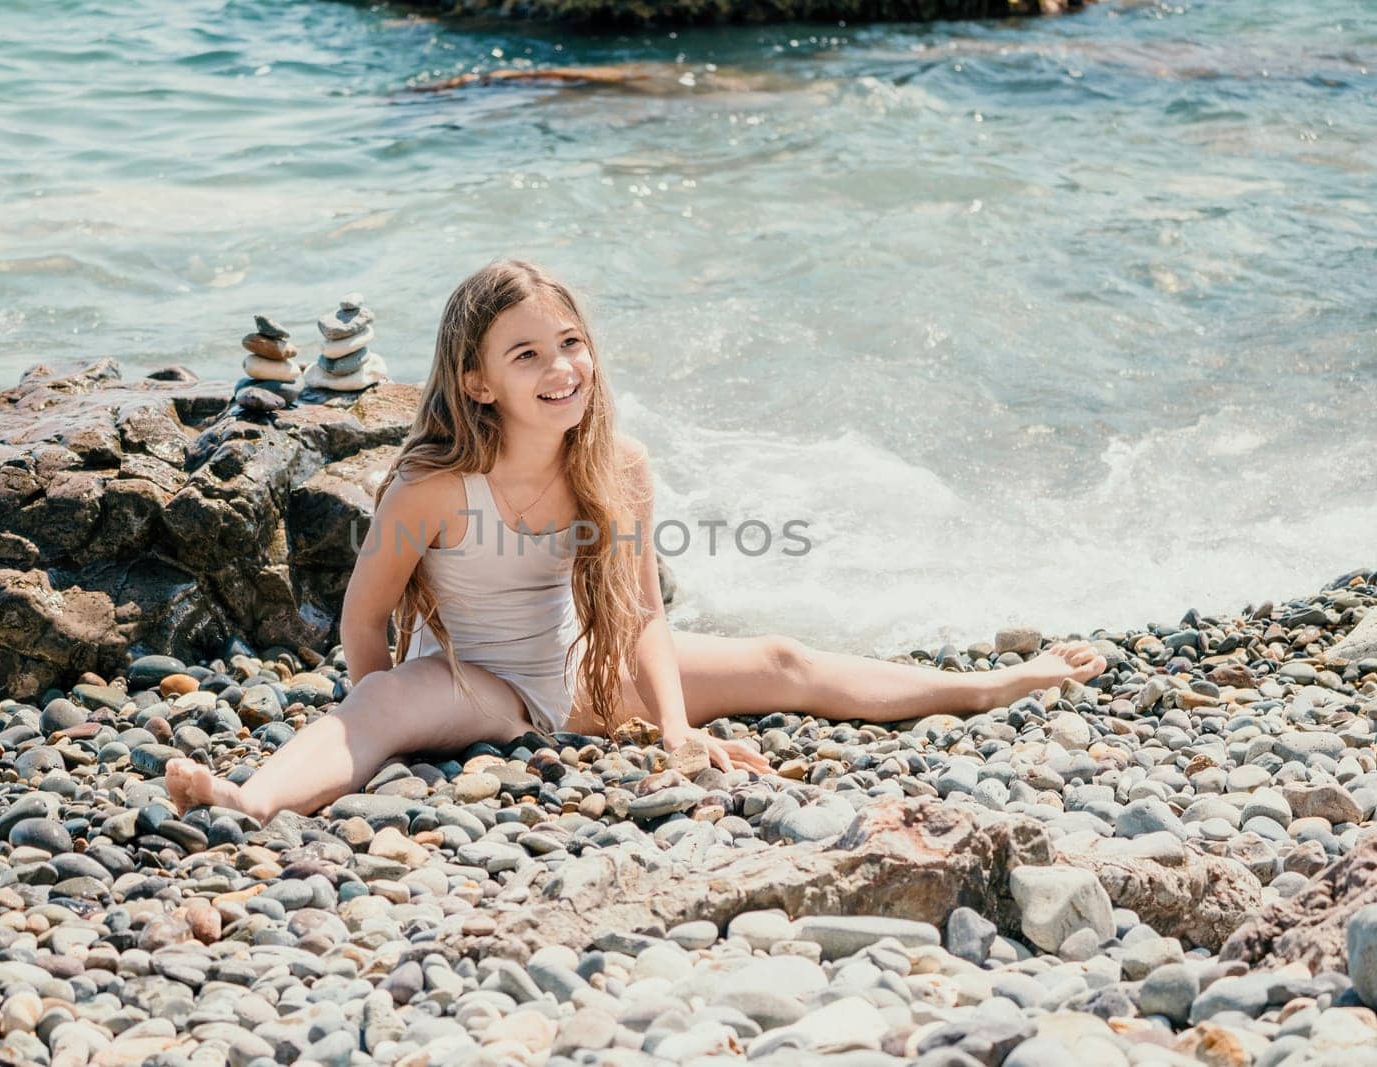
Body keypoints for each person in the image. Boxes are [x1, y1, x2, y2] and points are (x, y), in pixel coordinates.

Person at [164, 260, 1106, 821]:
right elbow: (363, 621)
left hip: (577, 671)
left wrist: (677, 729)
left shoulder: (617, 466)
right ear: (478, 381)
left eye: (570, 343)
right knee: (371, 711)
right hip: (472, 678)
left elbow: (644, 615)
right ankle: (253, 799)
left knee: (782, 659)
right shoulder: (434, 485)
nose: (561, 367)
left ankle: (990, 683)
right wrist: (395, 710)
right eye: (526, 353)